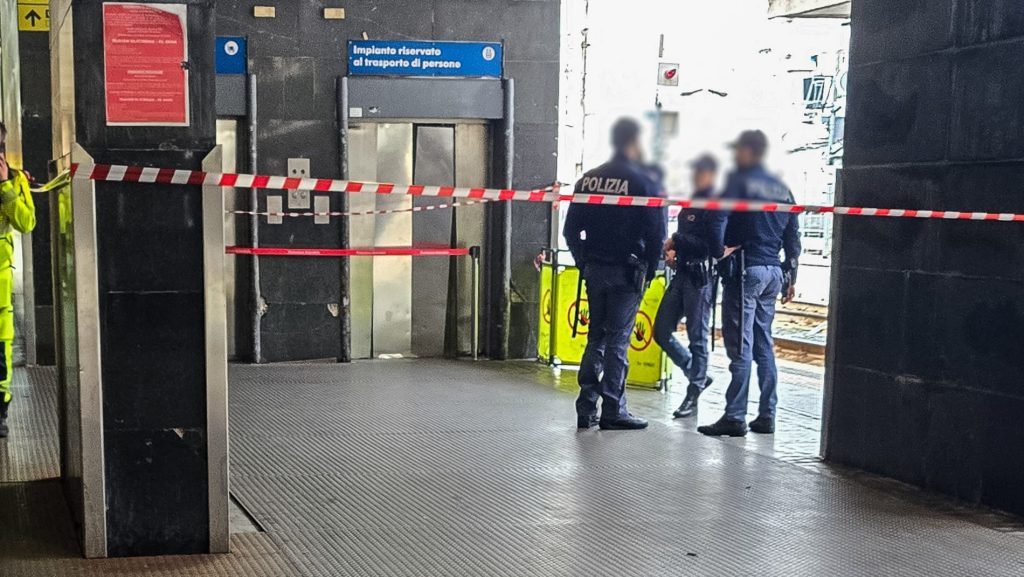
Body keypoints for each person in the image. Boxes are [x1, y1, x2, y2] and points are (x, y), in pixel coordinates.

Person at [564, 118, 666, 430]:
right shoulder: (644, 182)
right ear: (635, 143)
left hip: (595, 269)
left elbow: (571, 231)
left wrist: (584, 262)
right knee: (618, 341)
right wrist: (649, 272)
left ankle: (586, 407)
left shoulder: (589, 180)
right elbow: (657, 235)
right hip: (627, 271)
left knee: (595, 337)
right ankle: (613, 410)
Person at [698, 130, 800, 437]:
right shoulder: (782, 189)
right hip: (772, 273)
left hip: (746, 271)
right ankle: (767, 414)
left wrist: (717, 252)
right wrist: (791, 275)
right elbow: (793, 236)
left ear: (747, 152)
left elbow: (718, 220)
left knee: (740, 346)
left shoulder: (737, 184)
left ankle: (735, 415)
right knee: (763, 343)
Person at [653, 155, 728, 419]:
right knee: (660, 331)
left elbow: (711, 247)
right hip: (682, 272)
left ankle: (693, 393)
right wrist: (676, 250)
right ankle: (695, 373)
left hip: (700, 278)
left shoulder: (715, 204)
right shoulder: (692, 200)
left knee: (698, 338)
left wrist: (675, 240)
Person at [0, 122, 38, 439]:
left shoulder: (14, 180)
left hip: (0, 290)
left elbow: (26, 222)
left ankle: (0, 412)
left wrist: (5, 187)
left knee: (1, 356)